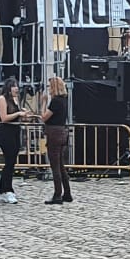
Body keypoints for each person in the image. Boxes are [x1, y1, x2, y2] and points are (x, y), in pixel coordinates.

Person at [0, 77, 27, 203]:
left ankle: (3, 190)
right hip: (6, 132)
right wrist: (18, 114)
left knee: (12, 162)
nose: (16, 88)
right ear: (8, 88)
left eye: (17, 86)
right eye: (13, 86)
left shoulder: (16, 99)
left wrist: (22, 114)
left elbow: (17, 117)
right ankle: (7, 190)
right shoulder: (2, 99)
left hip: (15, 131)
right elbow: (4, 117)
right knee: (9, 161)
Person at [41, 73, 73, 205]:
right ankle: (67, 193)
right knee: (61, 165)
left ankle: (57, 194)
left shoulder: (55, 101)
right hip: (62, 132)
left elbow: (44, 117)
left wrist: (43, 103)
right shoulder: (64, 100)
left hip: (54, 132)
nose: (48, 89)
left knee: (55, 166)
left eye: (49, 86)